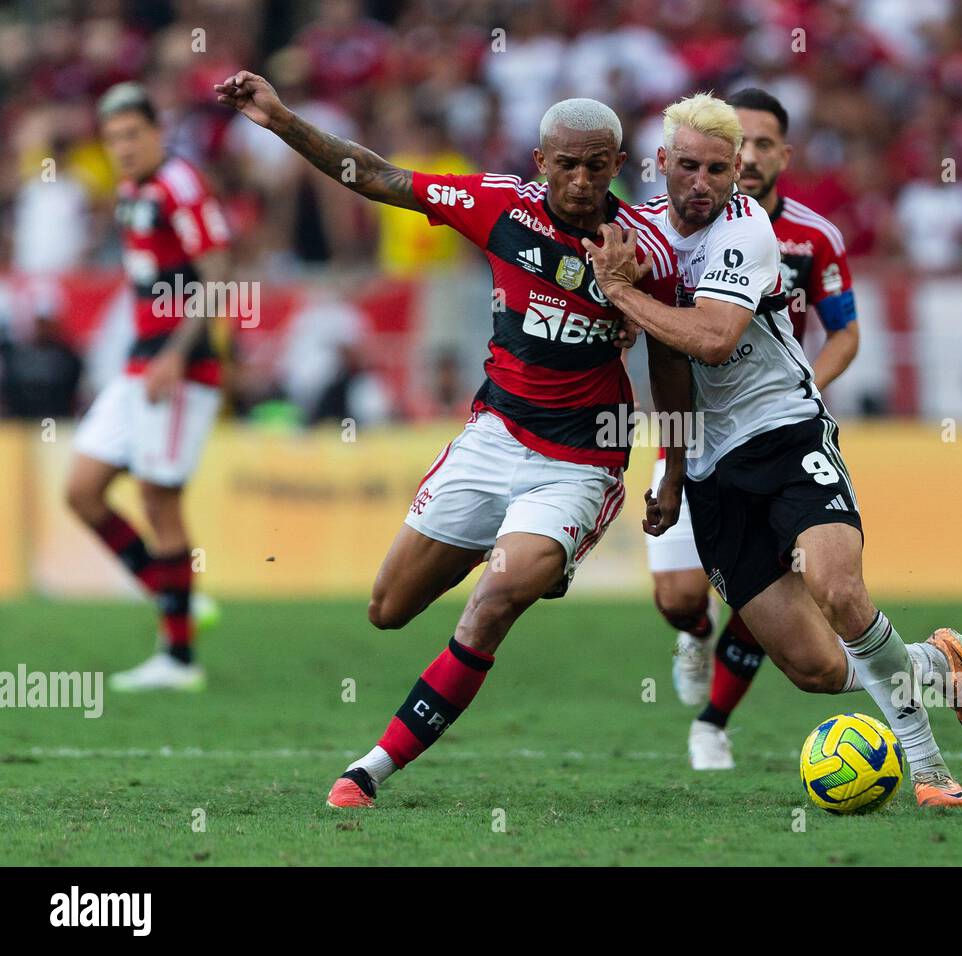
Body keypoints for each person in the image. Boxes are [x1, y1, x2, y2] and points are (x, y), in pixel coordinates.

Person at [214, 72, 688, 809]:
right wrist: (279, 120)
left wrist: (674, 469)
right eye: (568, 162)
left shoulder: (643, 251)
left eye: (600, 163)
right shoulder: (501, 207)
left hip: (580, 461)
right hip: (494, 436)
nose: (584, 178)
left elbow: (673, 362)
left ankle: (367, 771)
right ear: (541, 161)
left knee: (494, 601)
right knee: (388, 607)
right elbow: (375, 175)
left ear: (619, 164)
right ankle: (522, 548)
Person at [586, 93, 962, 807]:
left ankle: (928, 769)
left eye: (720, 168)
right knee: (815, 669)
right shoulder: (640, 236)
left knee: (840, 588)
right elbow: (671, 366)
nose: (705, 182)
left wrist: (620, 296)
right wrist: (676, 476)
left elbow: (710, 338)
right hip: (714, 467)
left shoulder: (748, 231)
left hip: (785, 433)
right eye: (689, 166)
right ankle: (936, 660)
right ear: (660, 165)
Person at [641, 88, 873, 769]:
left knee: (793, 584)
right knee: (680, 597)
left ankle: (713, 721)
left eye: (759, 145)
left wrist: (809, 396)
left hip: (777, 427)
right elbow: (673, 356)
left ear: (775, 154)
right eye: (704, 158)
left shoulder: (809, 237)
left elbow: (845, 333)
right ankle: (694, 632)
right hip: (694, 435)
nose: (739, 160)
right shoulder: (661, 232)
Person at [65, 83, 230, 692]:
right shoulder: (129, 191)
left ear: (158, 132)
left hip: (181, 369)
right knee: (83, 490)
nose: (123, 147)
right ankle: (175, 596)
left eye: (133, 134)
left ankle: (178, 659)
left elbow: (219, 277)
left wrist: (174, 356)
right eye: (112, 138)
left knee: (160, 501)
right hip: (138, 364)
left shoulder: (180, 185)